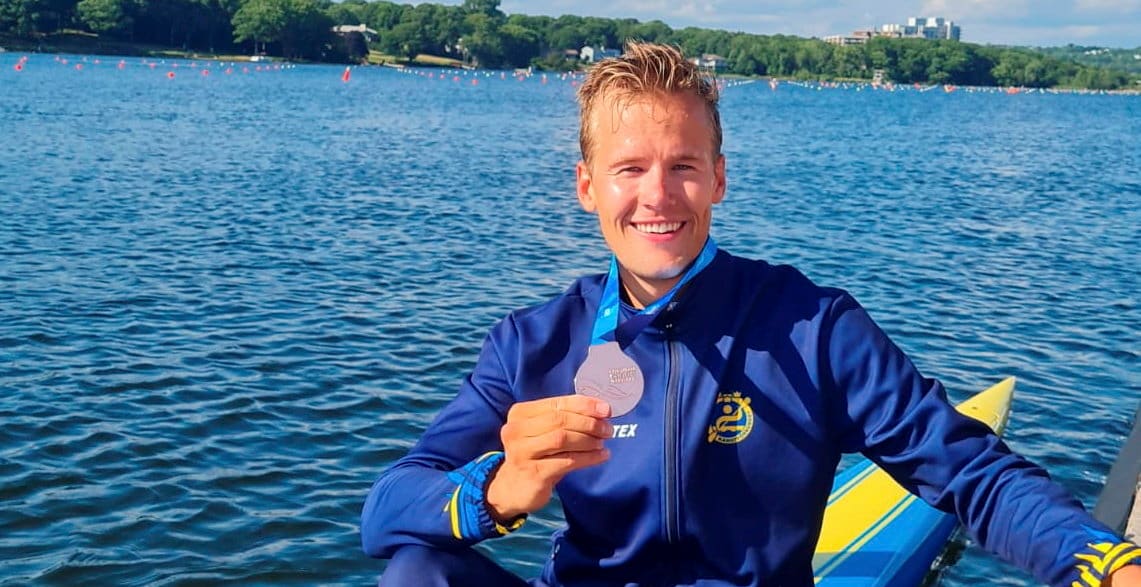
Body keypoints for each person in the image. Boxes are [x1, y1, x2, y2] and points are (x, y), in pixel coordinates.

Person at [360, 42, 1141, 586]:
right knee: (416, 571)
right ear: (587, 186)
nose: (657, 196)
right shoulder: (533, 343)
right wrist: (495, 491)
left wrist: (1104, 561)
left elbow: (971, 473)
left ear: (718, 179)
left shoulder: (810, 327)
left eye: (683, 166)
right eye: (629, 168)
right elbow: (386, 510)